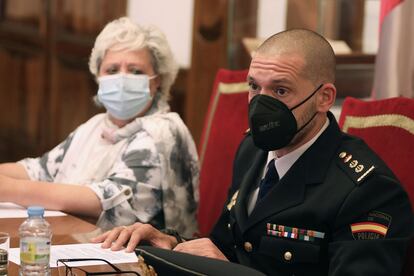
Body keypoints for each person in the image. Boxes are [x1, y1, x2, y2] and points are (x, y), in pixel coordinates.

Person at [92, 29, 414, 275]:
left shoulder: (367, 190)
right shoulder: (253, 149)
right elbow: (228, 247)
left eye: (280, 90)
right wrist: (172, 243)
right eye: (254, 86)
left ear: (324, 98)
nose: (261, 104)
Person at [0, 17, 199, 237]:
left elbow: (103, 201)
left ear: (156, 80)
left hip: (138, 261)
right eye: (112, 70)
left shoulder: (163, 133)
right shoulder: (97, 126)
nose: (122, 79)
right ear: (99, 77)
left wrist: (10, 189)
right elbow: (40, 169)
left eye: (135, 71)